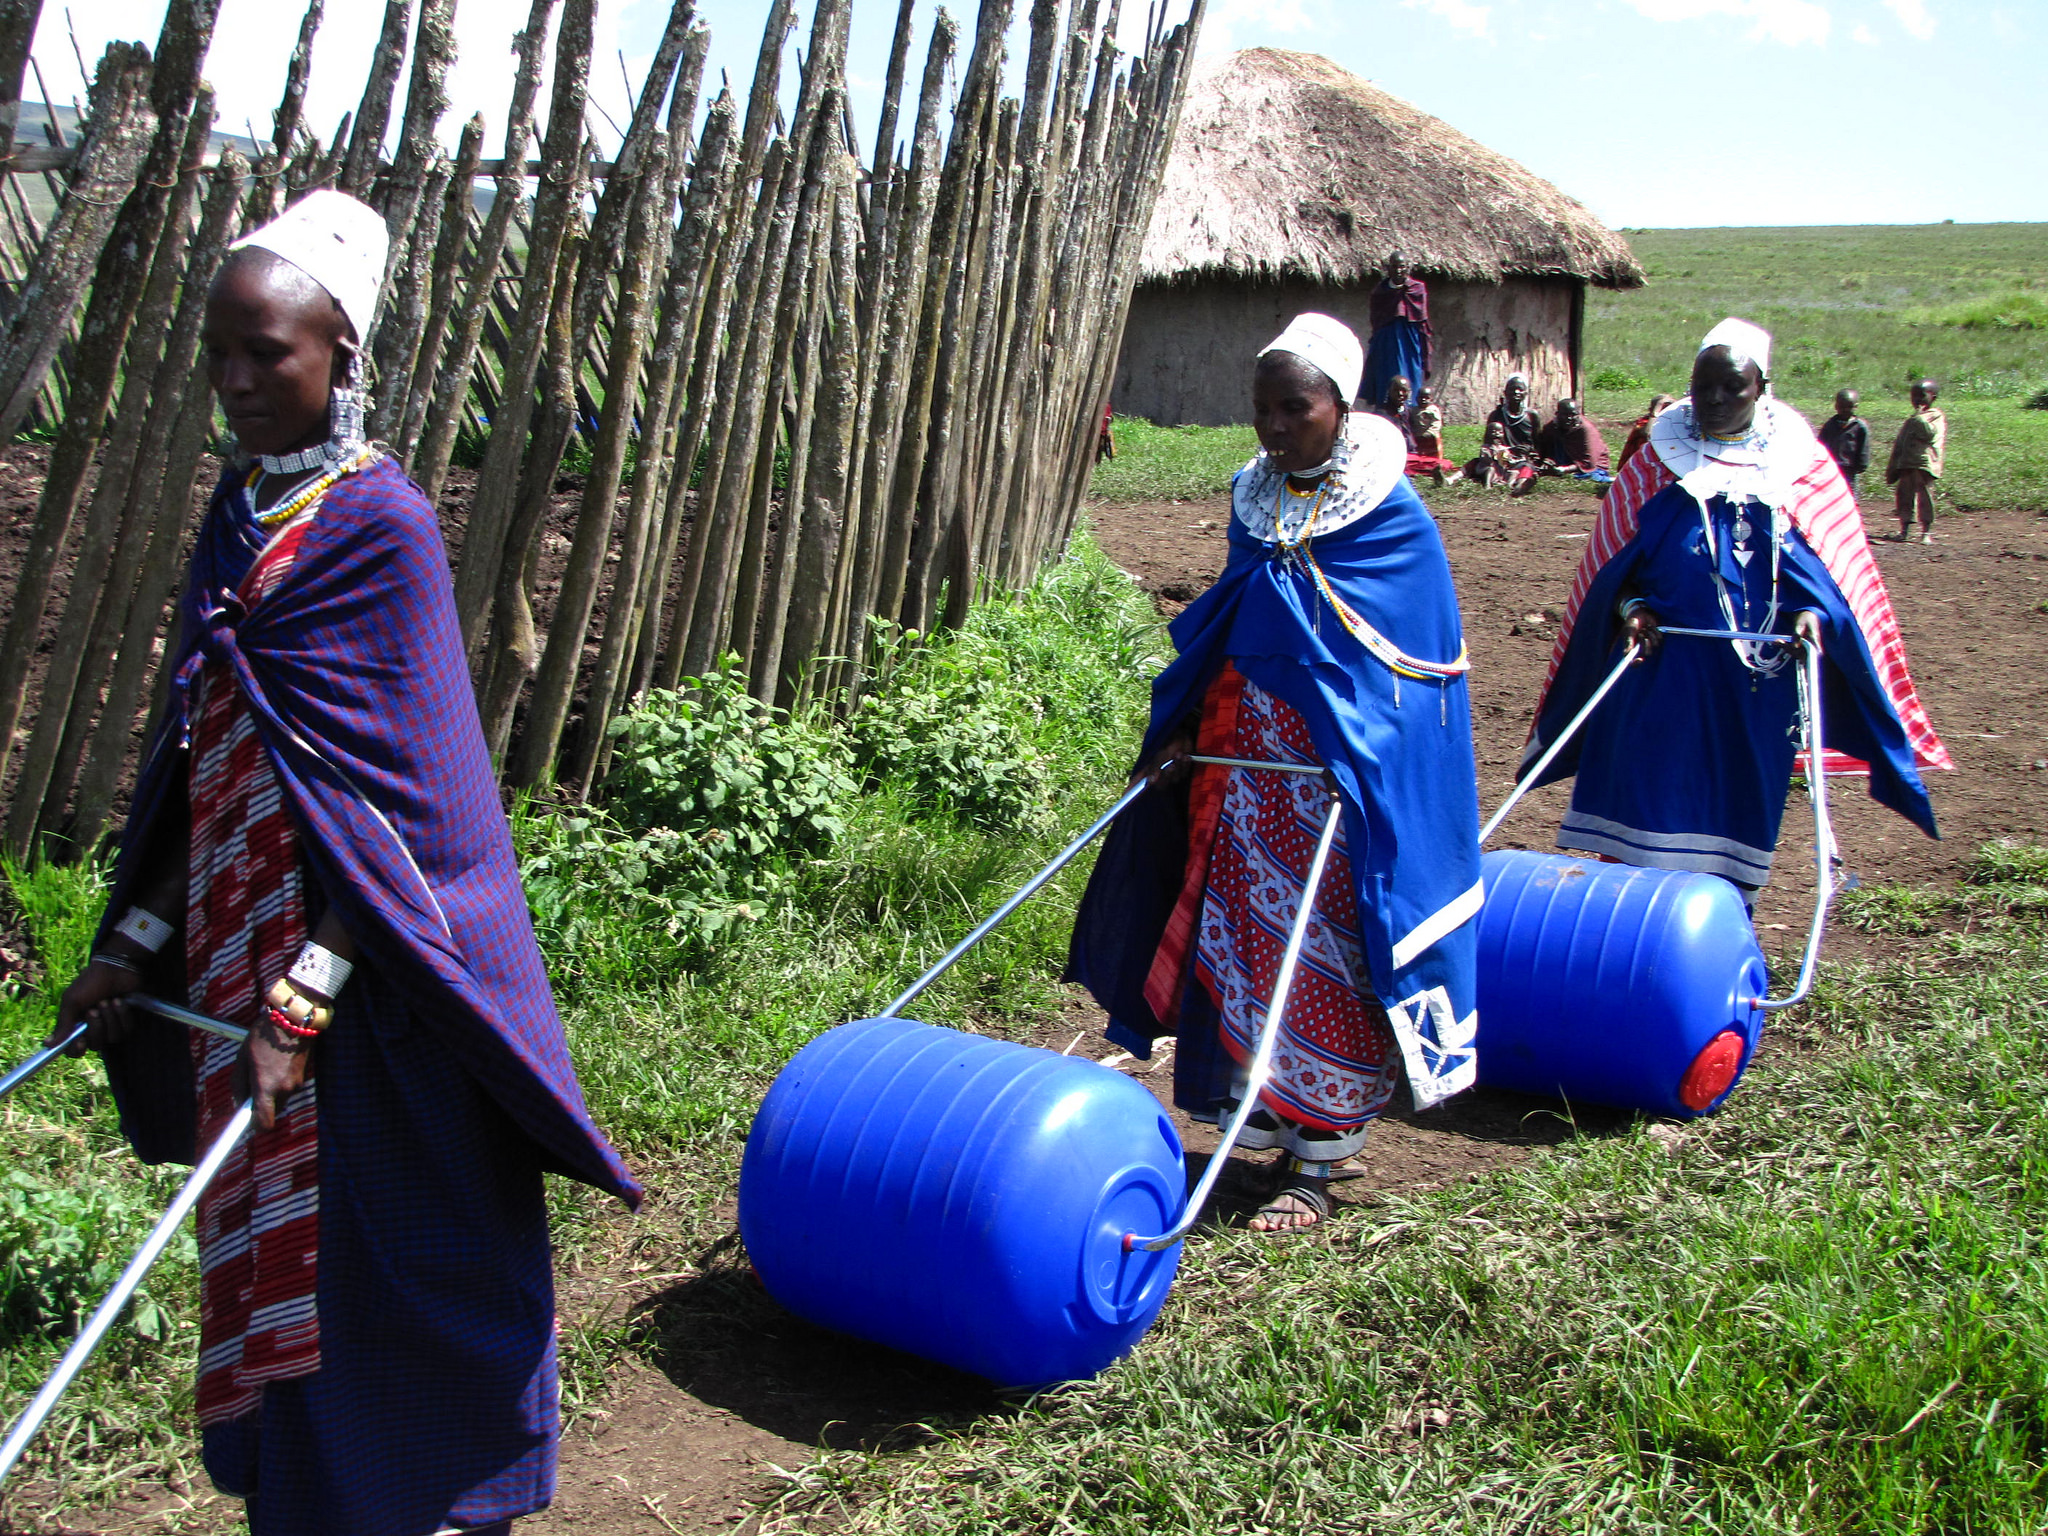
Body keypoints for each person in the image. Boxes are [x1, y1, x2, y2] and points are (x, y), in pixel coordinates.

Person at [47, 191, 641, 1535]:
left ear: (343, 354)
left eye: (270, 352)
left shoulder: (382, 529)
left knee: (399, 1252)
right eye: (221, 351)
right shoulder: (238, 519)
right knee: (272, 1253)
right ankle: (306, 1502)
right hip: (238, 954)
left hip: (378, 987)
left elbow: (411, 809)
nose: (237, 381)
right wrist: (133, 944)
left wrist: (305, 999)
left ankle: (436, 1504)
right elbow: (204, 746)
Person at [1068, 312, 1481, 1235]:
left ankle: (1321, 1163)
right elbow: (1232, 629)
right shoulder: (1254, 499)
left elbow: (1410, 676)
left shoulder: (1391, 519)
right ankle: (1262, 1130)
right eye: (1262, 408)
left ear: (1341, 406)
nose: (1275, 427)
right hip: (1244, 771)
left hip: (1339, 784)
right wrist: (1183, 737)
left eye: (1295, 408)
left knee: (1325, 953)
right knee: (1247, 947)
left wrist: (1349, 758)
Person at [1519, 319, 1949, 904]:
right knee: (1638, 828)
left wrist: (1814, 618)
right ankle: (1626, 942)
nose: (1715, 400)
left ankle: (1716, 942)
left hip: (1753, 688)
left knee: (1732, 824)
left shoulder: (1803, 471)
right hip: (1658, 678)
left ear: (1761, 388)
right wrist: (1633, 607)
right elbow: (1607, 573)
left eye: (1733, 387)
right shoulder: (1654, 466)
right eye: (1703, 387)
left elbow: (1835, 577)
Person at [1362, 251, 1432, 410]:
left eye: (1402, 266)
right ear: (1388, 268)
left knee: (1410, 373)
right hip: (1386, 341)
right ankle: (1384, 409)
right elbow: (1376, 320)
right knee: (1385, 375)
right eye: (1395, 267)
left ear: (1408, 268)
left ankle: (1410, 410)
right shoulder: (1380, 291)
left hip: (1409, 340)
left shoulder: (1417, 289)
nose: (1398, 270)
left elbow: (1422, 321)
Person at [1886, 379, 1946, 543]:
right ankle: (1905, 528)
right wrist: (1894, 465)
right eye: (1914, 396)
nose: (1917, 400)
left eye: (1922, 395)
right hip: (1907, 463)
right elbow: (1900, 443)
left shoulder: (1935, 416)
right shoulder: (1911, 419)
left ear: (1933, 396)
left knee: (1925, 497)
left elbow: (1929, 434)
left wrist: (1919, 418)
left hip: (1924, 464)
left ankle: (1926, 531)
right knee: (1905, 496)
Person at [1373, 375, 1460, 486]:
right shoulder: (1383, 413)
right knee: (1407, 465)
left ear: (1409, 392)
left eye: (1403, 390)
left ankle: (1433, 470)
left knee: (1444, 463)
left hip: (1412, 453)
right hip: (1394, 455)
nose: (1400, 394)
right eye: (1396, 390)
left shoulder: (1407, 411)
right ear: (1389, 391)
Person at [1535, 397, 1612, 485]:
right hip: (1565, 460)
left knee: (1592, 476)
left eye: (1573, 415)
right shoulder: (1551, 427)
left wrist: (1565, 469)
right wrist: (1548, 461)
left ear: (1578, 415)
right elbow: (1545, 449)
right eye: (1565, 414)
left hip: (1591, 465)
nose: (1569, 418)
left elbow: (1589, 462)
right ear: (1557, 414)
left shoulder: (1585, 430)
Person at [1817, 388, 1870, 498]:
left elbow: (1863, 447)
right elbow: (1820, 444)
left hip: (1849, 469)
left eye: (1849, 406)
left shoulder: (1859, 426)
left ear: (1856, 406)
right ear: (1836, 406)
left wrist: (1861, 465)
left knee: (1849, 495)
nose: (1845, 409)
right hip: (1831, 467)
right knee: (1830, 495)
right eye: (1842, 406)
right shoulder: (1830, 425)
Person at [1617, 393, 1676, 471]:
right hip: (1639, 463)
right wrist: (1656, 411)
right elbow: (1648, 433)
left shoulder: (1672, 421)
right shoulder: (1645, 421)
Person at [1408, 385, 1444, 457]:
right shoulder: (1413, 410)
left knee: (1433, 454)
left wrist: (1430, 432)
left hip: (1430, 438)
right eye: (1421, 397)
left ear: (1431, 399)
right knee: (1418, 453)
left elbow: (1436, 423)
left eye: (1426, 398)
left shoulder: (1433, 410)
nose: (1423, 400)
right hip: (1417, 437)